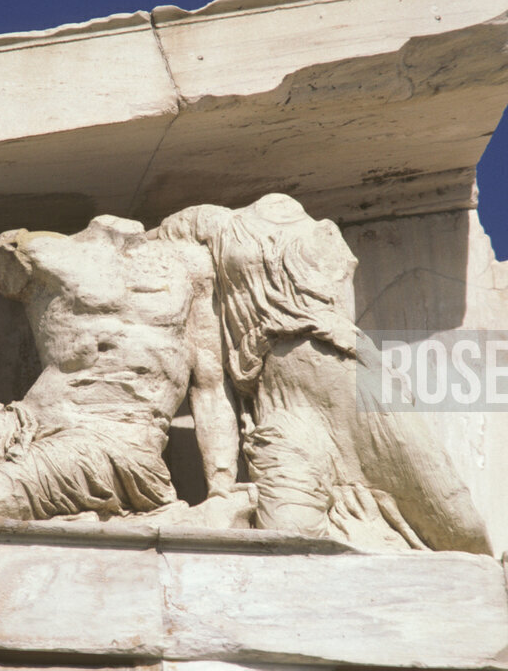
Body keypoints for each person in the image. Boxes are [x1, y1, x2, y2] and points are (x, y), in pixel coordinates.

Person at [159, 193, 491, 553]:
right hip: (280, 403)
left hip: (353, 385)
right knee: (287, 532)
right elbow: (155, 244)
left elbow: (343, 318)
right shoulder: (214, 224)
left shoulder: (324, 232)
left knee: (455, 519)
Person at [0, 214, 240, 524]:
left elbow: (209, 386)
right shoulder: (38, 251)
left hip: (113, 437)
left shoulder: (189, 264)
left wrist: (221, 492)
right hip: (30, 422)